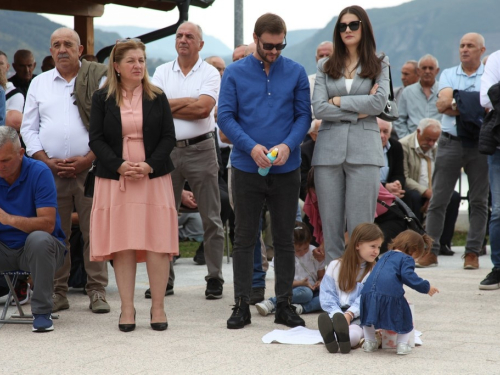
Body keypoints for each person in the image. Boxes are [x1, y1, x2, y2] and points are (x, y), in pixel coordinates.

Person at [218, 13, 311, 329]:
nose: (274, 52)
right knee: (244, 236)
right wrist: (250, 147)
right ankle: (242, 304)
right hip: (246, 166)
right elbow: (226, 118)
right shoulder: (234, 73)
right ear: (256, 38)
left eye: (280, 45)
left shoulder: (296, 72)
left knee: (285, 237)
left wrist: (287, 145)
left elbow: (303, 117)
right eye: (269, 46)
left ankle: (284, 305)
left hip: (287, 169)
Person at [88, 39, 177, 332]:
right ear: (117, 67)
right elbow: (96, 139)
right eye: (131, 61)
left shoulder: (158, 96)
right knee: (123, 243)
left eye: (141, 60)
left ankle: (158, 307)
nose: (138, 65)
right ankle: (127, 309)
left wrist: (149, 164)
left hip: (153, 176)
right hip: (116, 177)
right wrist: (120, 165)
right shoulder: (101, 99)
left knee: (157, 243)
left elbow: (168, 137)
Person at [21, 27, 110, 313]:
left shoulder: (99, 80)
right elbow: (28, 128)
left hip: (90, 168)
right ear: (50, 51)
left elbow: (111, 127)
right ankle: (57, 291)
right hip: (50, 172)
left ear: (80, 50)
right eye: (56, 45)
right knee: (54, 234)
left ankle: (97, 291)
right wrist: (45, 160)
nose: (62, 49)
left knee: (94, 231)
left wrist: (87, 159)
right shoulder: (39, 84)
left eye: (68, 44)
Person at [152, 22, 225, 299]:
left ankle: (215, 277)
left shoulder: (209, 72)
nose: (183, 40)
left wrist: (170, 103)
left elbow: (203, 109)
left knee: (211, 217)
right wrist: (187, 102)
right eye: (179, 35)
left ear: (200, 44)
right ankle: (164, 280)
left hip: (201, 149)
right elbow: (153, 108)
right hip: (166, 149)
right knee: (163, 217)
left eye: (189, 36)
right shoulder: (161, 71)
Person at [312, 5, 390, 263]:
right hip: (328, 153)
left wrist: (338, 101)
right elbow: (319, 107)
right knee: (331, 229)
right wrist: (357, 109)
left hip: (365, 152)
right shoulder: (325, 65)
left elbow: (378, 104)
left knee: (362, 229)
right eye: (342, 26)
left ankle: (361, 288)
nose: (347, 30)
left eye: (353, 24)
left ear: (363, 27)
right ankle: (334, 289)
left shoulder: (379, 62)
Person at [417, 33, 488, 269]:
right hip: (450, 141)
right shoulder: (448, 73)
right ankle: (431, 250)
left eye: (470, 46)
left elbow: (490, 107)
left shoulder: (489, 75)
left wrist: (457, 102)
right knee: (438, 199)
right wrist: (473, 105)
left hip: (479, 143)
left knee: (478, 200)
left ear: (481, 50)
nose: (464, 49)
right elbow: (441, 105)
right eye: (461, 45)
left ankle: (472, 253)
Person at [0, 126, 66, 332]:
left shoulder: (39, 172)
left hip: (39, 251)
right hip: (4, 248)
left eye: (5, 161)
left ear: (21, 154)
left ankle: (42, 312)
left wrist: (9, 219)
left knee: (39, 239)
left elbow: (48, 224)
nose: (0, 166)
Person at [360, 229, 439, 355]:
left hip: (367, 292)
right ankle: (402, 345)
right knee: (405, 316)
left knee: (369, 317)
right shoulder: (406, 258)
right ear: (413, 250)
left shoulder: (385, 254)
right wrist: (426, 287)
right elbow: (408, 276)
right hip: (389, 293)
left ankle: (369, 342)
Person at [317, 223, 382, 354]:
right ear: (357, 245)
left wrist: (349, 314)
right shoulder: (335, 265)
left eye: (379, 247)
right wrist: (338, 314)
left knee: (353, 336)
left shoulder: (375, 271)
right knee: (335, 323)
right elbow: (327, 293)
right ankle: (332, 335)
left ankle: (340, 339)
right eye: (372, 246)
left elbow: (366, 297)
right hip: (336, 313)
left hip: (360, 315)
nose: (376, 251)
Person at [399, 118, 460, 256]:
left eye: (434, 140)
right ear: (418, 132)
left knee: (453, 197)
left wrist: (434, 193)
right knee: (413, 197)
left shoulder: (439, 148)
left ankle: (443, 242)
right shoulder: (403, 145)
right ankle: (415, 243)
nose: (431, 143)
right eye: (428, 139)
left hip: (434, 189)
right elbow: (404, 177)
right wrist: (426, 193)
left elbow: (443, 173)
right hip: (415, 189)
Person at [255, 223, 324, 317]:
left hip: (314, 291)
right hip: (294, 290)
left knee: (327, 297)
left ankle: (299, 308)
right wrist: (301, 283)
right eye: (298, 250)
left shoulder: (315, 253)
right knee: (306, 293)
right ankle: (273, 302)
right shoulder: (283, 255)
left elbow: (321, 276)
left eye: (306, 248)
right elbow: (280, 282)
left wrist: (319, 282)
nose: (303, 252)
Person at [479, 49, 500, 290]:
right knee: (498, 212)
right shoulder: (496, 58)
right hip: (497, 147)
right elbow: (485, 99)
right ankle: (498, 267)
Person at [394, 54, 441, 138]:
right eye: (424, 68)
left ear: (437, 71)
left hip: (438, 141)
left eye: (431, 68)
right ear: (418, 71)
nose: (427, 71)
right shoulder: (407, 92)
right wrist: (406, 139)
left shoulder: (444, 91)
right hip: (412, 141)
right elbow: (399, 119)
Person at [378, 119, 406, 198]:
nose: (382, 136)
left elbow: (399, 174)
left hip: (390, 189)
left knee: (412, 196)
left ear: (390, 133)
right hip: (371, 190)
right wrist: (385, 187)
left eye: (385, 131)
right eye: (378, 131)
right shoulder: (364, 148)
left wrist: (397, 184)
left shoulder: (396, 146)